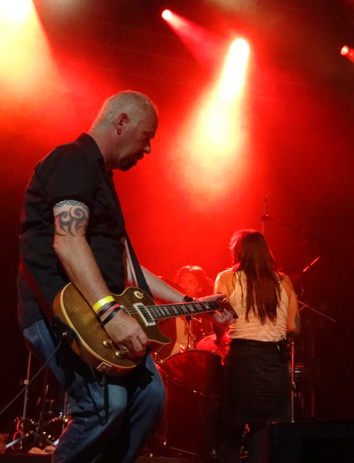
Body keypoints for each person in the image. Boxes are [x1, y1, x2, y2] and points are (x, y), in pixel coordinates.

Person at [17, 90, 231, 463]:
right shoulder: (73, 158)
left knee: (150, 398)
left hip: (100, 310)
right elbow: (67, 242)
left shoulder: (102, 178)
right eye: (147, 137)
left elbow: (127, 266)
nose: (147, 150)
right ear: (121, 123)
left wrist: (190, 302)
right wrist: (110, 313)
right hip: (59, 307)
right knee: (107, 404)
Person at [214, 229, 300, 463]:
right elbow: (293, 327)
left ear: (238, 251)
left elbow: (221, 320)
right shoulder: (283, 281)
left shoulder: (227, 278)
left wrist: (220, 336)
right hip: (274, 361)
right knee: (262, 429)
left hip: (243, 358)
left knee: (231, 427)